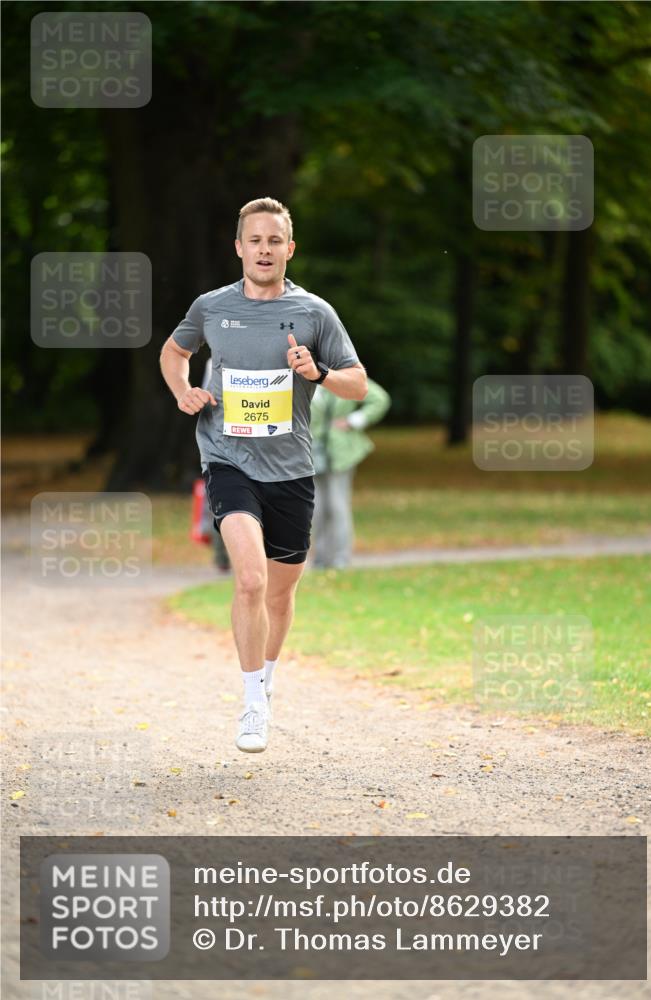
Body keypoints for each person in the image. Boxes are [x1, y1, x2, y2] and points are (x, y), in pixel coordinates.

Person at [159, 197, 367, 753]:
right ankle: (252, 703)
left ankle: (267, 678)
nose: (264, 249)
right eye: (255, 240)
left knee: (279, 593)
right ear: (239, 247)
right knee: (249, 580)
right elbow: (173, 352)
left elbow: (358, 384)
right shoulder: (211, 307)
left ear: (289, 248)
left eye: (274, 240)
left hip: (291, 470)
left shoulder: (315, 313)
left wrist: (318, 372)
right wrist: (184, 391)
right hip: (227, 458)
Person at [310, 378, 391, 569]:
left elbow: (380, 398)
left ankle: (341, 558)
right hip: (311, 451)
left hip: (341, 452)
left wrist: (354, 420)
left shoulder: (342, 375)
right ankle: (320, 557)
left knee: (337, 504)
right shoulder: (300, 377)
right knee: (316, 507)